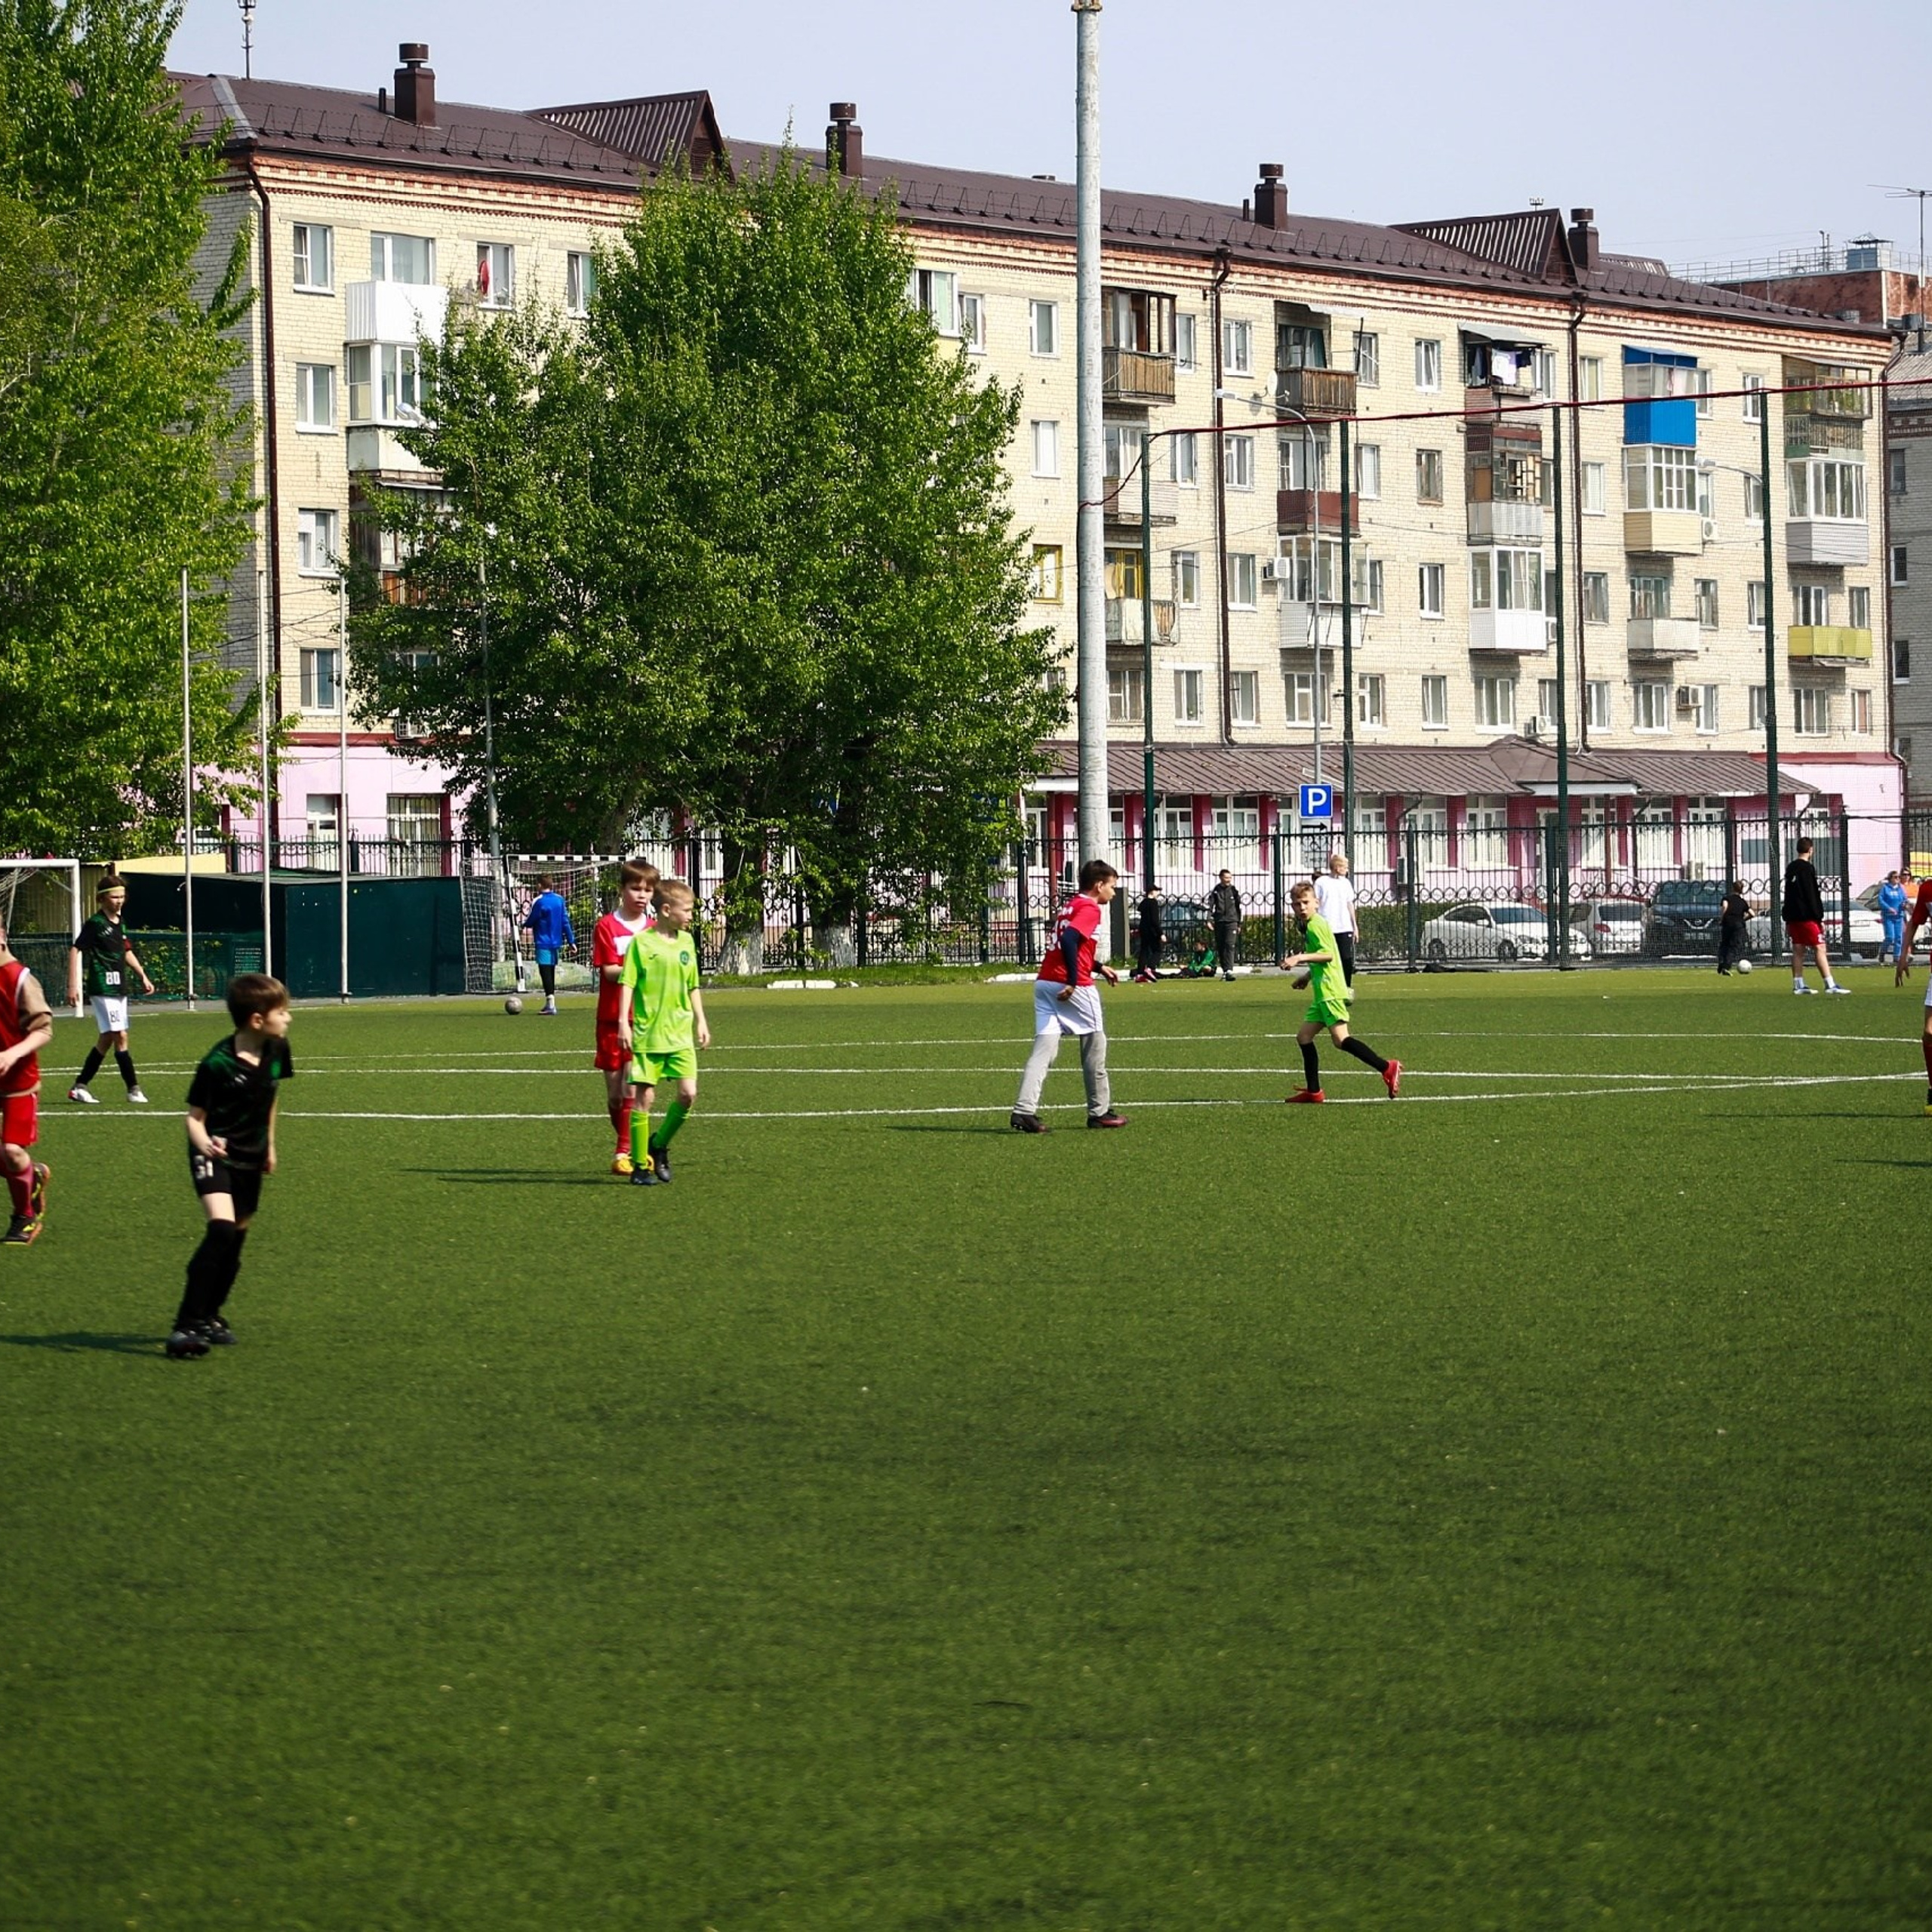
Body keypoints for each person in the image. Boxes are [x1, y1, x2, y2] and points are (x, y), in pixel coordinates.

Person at [165, 973, 292, 1359]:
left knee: (235, 1241)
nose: (288, 1019)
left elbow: (270, 1097)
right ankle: (184, 1326)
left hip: (251, 1157)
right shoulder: (217, 1064)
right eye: (282, 1012)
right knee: (220, 1229)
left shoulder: (278, 1050)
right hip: (213, 1155)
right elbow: (194, 1118)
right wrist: (204, 1143)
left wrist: (269, 1145)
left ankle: (211, 1315)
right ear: (257, 1019)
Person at [1011, 858, 1127, 1133]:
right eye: (1112, 886)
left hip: (1045, 983)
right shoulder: (1090, 908)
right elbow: (1071, 940)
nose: (1113, 892)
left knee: (1044, 1051)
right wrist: (1075, 981)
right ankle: (1099, 1111)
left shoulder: (1070, 905)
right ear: (1099, 885)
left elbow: (1072, 944)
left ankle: (1024, 1111)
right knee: (1094, 1044)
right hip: (1070, 985)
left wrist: (1098, 966)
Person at [617, 879, 709, 1186]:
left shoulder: (687, 943)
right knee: (645, 1099)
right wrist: (622, 1023)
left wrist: (701, 1021)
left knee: (688, 1094)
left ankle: (659, 1144)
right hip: (649, 1034)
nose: (692, 915)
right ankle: (641, 1166)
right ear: (667, 910)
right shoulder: (642, 944)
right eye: (688, 909)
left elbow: (692, 985)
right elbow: (628, 983)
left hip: (680, 1034)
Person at [1280, 879, 1401, 1103]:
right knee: (1304, 1037)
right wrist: (1306, 977)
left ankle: (1387, 1067)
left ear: (1317, 902)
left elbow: (1328, 954)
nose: (1302, 908)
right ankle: (1314, 1092)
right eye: (1297, 904)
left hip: (1330, 991)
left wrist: (1299, 957)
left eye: (1306, 902)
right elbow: (1326, 955)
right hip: (1322, 991)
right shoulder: (1312, 925)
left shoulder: (1316, 925)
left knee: (1341, 1039)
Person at [592, 860, 658, 1174]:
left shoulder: (655, 931)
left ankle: (626, 1152)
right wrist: (638, 971)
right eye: (635, 888)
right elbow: (608, 973)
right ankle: (626, 1141)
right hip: (610, 1020)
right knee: (616, 1095)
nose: (642, 895)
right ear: (622, 890)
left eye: (648, 890)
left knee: (633, 1088)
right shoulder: (606, 926)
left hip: (642, 1021)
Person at [66, 873, 155, 1104]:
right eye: (115, 897)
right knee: (121, 1035)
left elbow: (126, 951)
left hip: (119, 987)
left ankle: (80, 1086)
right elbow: (75, 950)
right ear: (102, 899)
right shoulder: (95, 924)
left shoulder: (120, 923)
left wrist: (143, 975)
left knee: (107, 1037)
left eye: (122, 897)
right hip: (102, 986)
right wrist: (72, 985)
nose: (119, 901)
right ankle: (133, 1089)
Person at [0, 912, 54, 1245]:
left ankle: (25, 1216)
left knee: (11, 1151)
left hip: (20, 1079)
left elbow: (44, 1030)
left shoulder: (20, 979)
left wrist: (11, 1054)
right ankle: (30, 1175)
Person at [1783, 837, 1847, 995]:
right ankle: (1830, 984)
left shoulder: (1791, 867)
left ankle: (1798, 984)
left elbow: (1788, 894)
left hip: (1793, 917)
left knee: (1798, 949)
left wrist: (1787, 916)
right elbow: (1811, 894)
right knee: (1820, 947)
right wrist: (1819, 917)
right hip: (1807, 917)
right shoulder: (1807, 869)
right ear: (1811, 850)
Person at [521, 875, 576, 1016]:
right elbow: (565, 921)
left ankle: (551, 1005)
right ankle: (549, 1003)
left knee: (545, 971)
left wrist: (522, 924)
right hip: (556, 941)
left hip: (543, 940)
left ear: (539, 885)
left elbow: (532, 919)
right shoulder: (559, 900)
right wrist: (571, 941)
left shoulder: (539, 901)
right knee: (550, 970)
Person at [1312, 850, 1359, 991]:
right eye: (1345, 867)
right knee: (1328, 958)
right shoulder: (1322, 882)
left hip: (1344, 926)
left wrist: (1354, 926)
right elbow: (1317, 903)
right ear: (1337, 867)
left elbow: (1349, 904)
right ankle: (1329, 986)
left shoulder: (1345, 883)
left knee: (1346, 958)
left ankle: (1346, 987)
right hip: (1327, 926)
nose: (1347, 870)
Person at [1208, 869, 1242, 981]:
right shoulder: (1216, 891)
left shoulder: (1234, 891)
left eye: (1230, 878)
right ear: (1221, 878)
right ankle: (1225, 970)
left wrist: (1239, 923)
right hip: (1219, 921)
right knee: (1221, 946)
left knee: (1230, 945)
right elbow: (1210, 906)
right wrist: (1209, 920)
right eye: (1226, 878)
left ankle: (1229, 970)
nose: (1228, 880)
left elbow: (1238, 908)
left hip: (1232, 921)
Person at [1716, 879, 1751, 976]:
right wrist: (1743, 919)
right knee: (1734, 946)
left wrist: (1722, 919)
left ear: (1732, 888)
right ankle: (1726, 966)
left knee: (1724, 944)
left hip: (1727, 924)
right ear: (1742, 890)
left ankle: (1721, 963)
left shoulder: (1727, 898)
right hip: (1738, 926)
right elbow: (1752, 913)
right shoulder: (1742, 902)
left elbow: (1725, 907)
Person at [1133, 886, 1164, 983]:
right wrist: (1160, 933)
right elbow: (1155, 920)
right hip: (1152, 931)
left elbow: (1143, 918)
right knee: (1157, 950)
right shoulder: (1153, 903)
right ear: (1152, 892)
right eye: (1156, 891)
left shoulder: (1144, 903)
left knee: (1144, 951)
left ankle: (1140, 974)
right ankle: (1150, 968)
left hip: (1144, 930)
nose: (1158, 893)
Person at [1878, 869, 1908, 964]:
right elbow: (1881, 900)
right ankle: (1882, 952)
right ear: (1890, 878)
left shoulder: (1900, 889)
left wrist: (1904, 904)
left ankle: (1896, 957)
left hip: (1899, 916)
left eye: (1899, 877)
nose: (1897, 879)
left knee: (1899, 938)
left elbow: (1905, 899)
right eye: (1895, 877)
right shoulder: (1885, 888)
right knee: (1890, 937)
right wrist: (1889, 908)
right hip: (1888, 917)